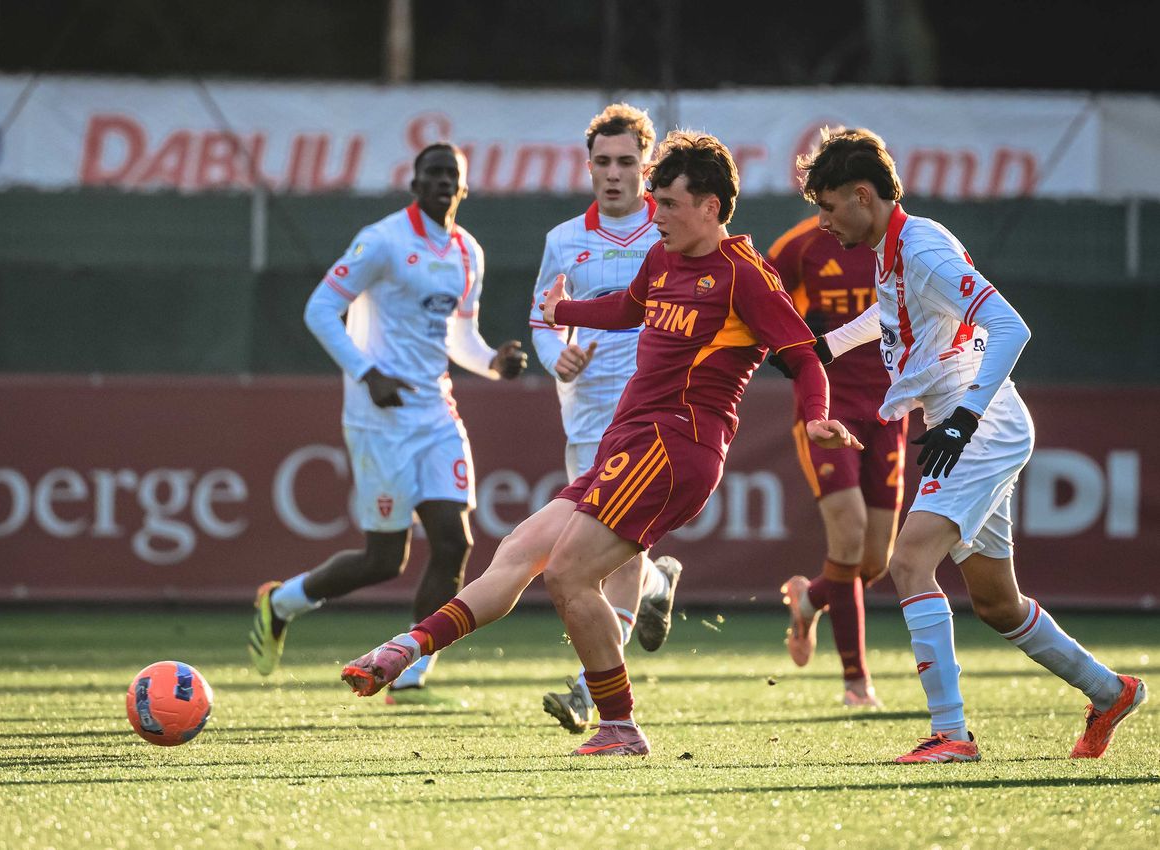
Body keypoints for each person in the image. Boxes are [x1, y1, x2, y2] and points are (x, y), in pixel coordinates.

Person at [340, 130, 862, 757]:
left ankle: (618, 725)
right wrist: (564, 314)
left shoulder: (744, 275)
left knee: (567, 574)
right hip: (629, 439)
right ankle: (407, 648)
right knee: (519, 551)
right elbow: (628, 308)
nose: (656, 214)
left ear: (713, 208)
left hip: (678, 445)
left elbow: (805, 358)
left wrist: (816, 417)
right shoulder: (664, 256)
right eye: (655, 200)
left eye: (668, 203)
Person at [798, 126, 1146, 762]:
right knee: (995, 602)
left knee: (908, 564)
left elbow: (1010, 326)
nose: (822, 221)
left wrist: (961, 420)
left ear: (862, 195)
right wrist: (827, 346)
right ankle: (1110, 691)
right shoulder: (892, 244)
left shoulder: (922, 248)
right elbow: (890, 312)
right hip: (965, 421)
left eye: (826, 205)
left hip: (979, 424)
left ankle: (951, 734)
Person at [247, 143, 527, 692]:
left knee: (455, 540)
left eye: (453, 175)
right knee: (383, 559)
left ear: (464, 188)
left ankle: (413, 666)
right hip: (378, 418)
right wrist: (367, 373)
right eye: (433, 173)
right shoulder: (382, 240)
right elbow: (320, 309)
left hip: (436, 410)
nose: (443, 182)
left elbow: (459, 337)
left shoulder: (468, 251)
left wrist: (492, 362)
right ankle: (281, 603)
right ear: (415, 183)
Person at [528, 103, 685, 734]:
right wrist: (555, 354)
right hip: (587, 416)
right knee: (605, 562)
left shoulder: (672, 232)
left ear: (648, 167)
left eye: (627, 162)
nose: (614, 174)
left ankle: (590, 694)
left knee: (609, 559)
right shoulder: (564, 240)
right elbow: (544, 316)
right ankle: (655, 585)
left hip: (654, 418)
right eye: (603, 162)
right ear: (587, 165)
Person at [763, 217, 906, 707]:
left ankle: (810, 600)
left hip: (889, 408)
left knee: (873, 563)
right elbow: (760, 304)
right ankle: (856, 683)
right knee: (847, 535)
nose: (830, 207)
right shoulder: (799, 246)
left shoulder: (901, 244)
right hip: (827, 408)